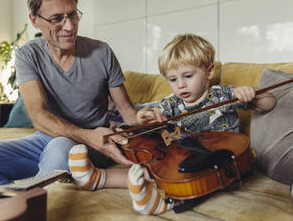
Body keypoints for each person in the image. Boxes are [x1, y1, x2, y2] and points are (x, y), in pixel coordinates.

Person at [0, 0, 137, 193]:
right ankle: (17, 201)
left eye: (73, 14)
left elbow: (126, 110)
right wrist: (87, 135)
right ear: (34, 20)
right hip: (46, 141)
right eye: (57, 18)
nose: (69, 26)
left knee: (61, 147)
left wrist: (142, 120)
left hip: (92, 147)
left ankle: (27, 202)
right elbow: (39, 116)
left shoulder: (102, 52)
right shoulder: (28, 54)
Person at [68, 33, 277, 215]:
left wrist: (250, 95)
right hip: (182, 155)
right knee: (150, 169)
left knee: (186, 176)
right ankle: (97, 178)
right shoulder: (172, 103)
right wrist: (146, 116)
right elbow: (153, 113)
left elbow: (269, 103)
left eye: (187, 76)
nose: (181, 85)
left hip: (219, 159)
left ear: (209, 71)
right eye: (173, 79)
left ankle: (164, 202)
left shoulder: (222, 94)